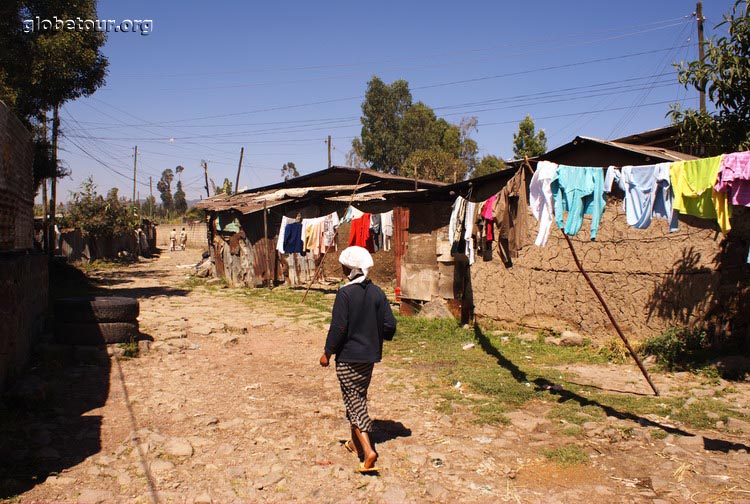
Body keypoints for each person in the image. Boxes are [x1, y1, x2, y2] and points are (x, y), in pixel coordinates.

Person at [319, 246, 397, 474]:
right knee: (356, 397)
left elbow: (339, 327)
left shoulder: (345, 294)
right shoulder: (378, 293)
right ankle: (354, 443)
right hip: (368, 359)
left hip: (348, 358)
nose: (342, 269)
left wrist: (327, 352)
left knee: (354, 402)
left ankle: (368, 450)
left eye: (344, 266)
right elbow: (389, 326)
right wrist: (373, 335)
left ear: (350, 269)